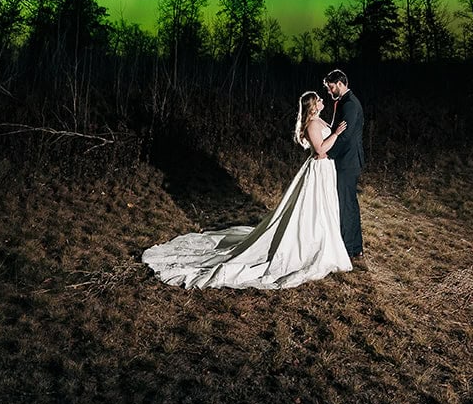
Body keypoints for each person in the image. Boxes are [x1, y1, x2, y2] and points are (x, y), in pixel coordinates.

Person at [141, 92, 352, 289]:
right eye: (318, 99)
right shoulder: (312, 124)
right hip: (319, 168)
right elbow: (320, 149)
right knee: (313, 209)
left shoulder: (319, 120)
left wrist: (336, 131)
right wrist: (336, 134)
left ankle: (327, 244)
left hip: (326, 170)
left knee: (325, 208)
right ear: (312, 106)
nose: (322, 100)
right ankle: (311, 246)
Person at [322, 68, 364, 258]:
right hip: (348, 159)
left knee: (346, 204)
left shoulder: (349, 105)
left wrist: (329, 154)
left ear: (339, 83)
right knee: (349, 203)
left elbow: (345, 135)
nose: (330, 92)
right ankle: (355, 247)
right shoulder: (346, 102)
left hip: (347, 160)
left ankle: (348, 249)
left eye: (331, 88)